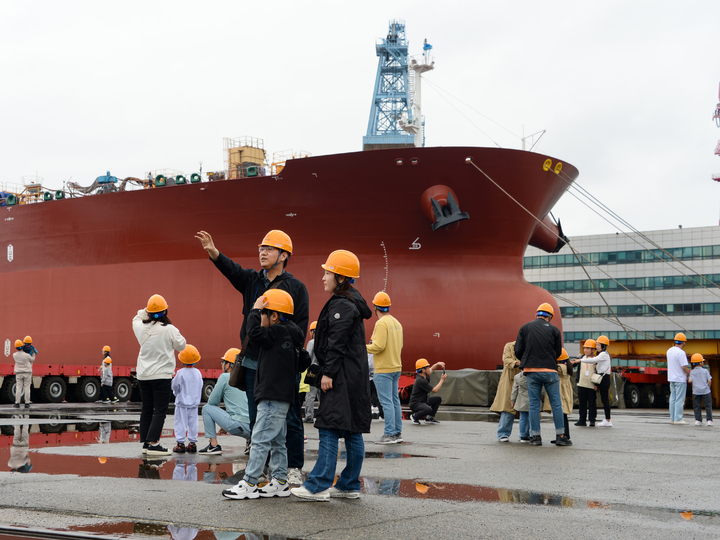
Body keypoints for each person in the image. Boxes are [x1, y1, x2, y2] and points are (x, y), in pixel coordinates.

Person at [196, 229, 309, 484]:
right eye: (261, 248)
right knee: (257, 417)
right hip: (252, 361)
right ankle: (266, 468)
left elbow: (300, 329)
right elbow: (233, 270)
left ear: (283, 255)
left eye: (268, 249)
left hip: (280, 364)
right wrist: (215, 253)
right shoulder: (252, 281)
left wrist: (275, 338)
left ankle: (293, 468)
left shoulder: (296, 288)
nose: (262, 252)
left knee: (289, 417)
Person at [291, 250, 372, 502]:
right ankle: (348, 484)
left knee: (328, 426)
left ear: (340, 277)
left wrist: (327, 373)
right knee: (352, 431)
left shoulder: (341, 304)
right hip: (354, 377)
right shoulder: (353, 302)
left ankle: (318, 485)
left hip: (341, 377)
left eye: (327, 272)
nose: (323, 277)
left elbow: (336, 343)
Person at [222, 289, 304, 500]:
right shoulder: (292, 334)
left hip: (272, 395)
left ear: (274, 315)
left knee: (259, 438)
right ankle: (279, 481)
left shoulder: (276, 333)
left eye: (263, 314)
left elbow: (254, 333)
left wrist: (254, 309)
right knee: (277, 440)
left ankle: (249, 482)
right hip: (281, 395)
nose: (260, 318)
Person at [133, 294, 187, 456]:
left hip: (143, 375)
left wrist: (148, 310)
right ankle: (155, 444)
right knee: (160, 411)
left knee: (147, 409)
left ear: (149, 312)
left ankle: (146, 444)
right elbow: (182, 345)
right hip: (161, 376)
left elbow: (137, 317)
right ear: (165, 311)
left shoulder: (140, 327)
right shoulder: (169, 329)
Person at [514, 303, 570, 446]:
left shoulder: (525, 328)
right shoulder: (554, 330)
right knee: (556, 404)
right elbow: (558, 352)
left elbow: (518, 350)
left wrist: (528, 359)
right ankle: (561, 436)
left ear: (537, 314)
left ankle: (535, 437)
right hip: (550, 371)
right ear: (550, 317)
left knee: (533, 405)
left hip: (531, 370)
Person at [366, 291, 404, 445]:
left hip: (383, 369)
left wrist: (362, 348)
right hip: (396, 366)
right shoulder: (396, 322)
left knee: (386, 402)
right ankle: (397, 433)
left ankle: (389, 434)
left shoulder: (381, 323)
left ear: (375, 307)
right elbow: (400, 345)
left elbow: (378, 346)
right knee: (395, 401)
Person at [199, 348, 252, 455]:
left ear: (229, 365)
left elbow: (212, 402)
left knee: (206, 409)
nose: (222, 364)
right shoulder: (248, 378)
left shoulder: (225, 377)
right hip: (253, 427)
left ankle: (213, 446)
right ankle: (250, 443)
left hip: (237, 425)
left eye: (223, 362)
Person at [172, 345, 203, 454]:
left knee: (180, 423)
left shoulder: (180, 373)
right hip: (194, 404)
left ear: (182, 360)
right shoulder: (198, 373)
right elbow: (200, 386)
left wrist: (176, 393)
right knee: (193, 423)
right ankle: (192, 444)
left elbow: (175, 386)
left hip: (182, 404)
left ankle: (180, 444)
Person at [490, 341, 521, 442]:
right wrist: (518, 363)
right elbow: (506, 360)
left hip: (525, 379)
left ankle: (525, 434)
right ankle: (503, 434)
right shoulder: (509, 346)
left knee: (526, 408)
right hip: (509, 380)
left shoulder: (532, 345)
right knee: (507, 408)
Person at [544, 348, 574, 443]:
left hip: (560, 393)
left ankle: (564, 435)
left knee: (561, 415)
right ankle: (561, 435)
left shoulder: (560, 367)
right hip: (564, 393)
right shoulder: (566, 366)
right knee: (562, 415)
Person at [409, 358, 447, 424]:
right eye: (427, 367)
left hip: (423, 401)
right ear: (423, 370)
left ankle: (429, 418)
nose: (429, 368)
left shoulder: (424, 375)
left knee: (438, 399)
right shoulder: (421, 381)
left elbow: (432, 369)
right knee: (428, 409)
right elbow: (435, 390)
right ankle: (414, 417)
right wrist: (442, 380)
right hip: (415, 404)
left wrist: (438, 364)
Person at [587, 335, 612, 427]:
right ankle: (607, 419)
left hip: (604, 378)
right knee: (604, 399)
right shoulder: (604, 354)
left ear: (603, 346)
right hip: (602, 378)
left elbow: (594, 360)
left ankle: (608, 420)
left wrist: (580, 360)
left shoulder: (603, 354)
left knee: (605, 399)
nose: (596, 346)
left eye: (598, 345)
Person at [572, 339, 597, 427]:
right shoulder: (581, 357)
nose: (586, 350)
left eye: (588, 348)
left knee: (592, 404)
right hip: (581, 384)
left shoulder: (595, 359)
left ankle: (592, 420)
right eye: (585, 348)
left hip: (591, 384)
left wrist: (596, 385)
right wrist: (576, 358)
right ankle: (582, 420)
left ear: (593, 350)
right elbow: (573, 364)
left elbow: (598, 372)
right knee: (582, 403)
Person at [667, 332, 690, 425]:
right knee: (680, 399)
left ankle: (672, 419)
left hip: (671, 378)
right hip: (680, 379)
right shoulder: (681, 353)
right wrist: (688, 374)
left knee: (672, 399)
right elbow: (684, 367)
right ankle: (678, 419)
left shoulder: (669, 351)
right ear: (683, 342)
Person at [688, 353, 713, 426]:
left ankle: (698, 420)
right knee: (708, 406)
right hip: (706, 390)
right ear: (700, 362)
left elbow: (690, 381)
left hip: (696, 391)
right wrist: (709, 387)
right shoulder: (705, 371)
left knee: (697, 406)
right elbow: (709, 380)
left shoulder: (692, 372)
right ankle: (709, 420)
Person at [302, 321, 319, 423]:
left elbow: (307, 357)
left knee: (310, 395)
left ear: (313, 331)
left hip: (312, 370)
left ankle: (309, 416)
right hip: (323, 370)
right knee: (322, 395)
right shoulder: (325, 341)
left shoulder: (311, 343)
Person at [13, 336, 36, 408]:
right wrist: (34, 353)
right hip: (27, 373)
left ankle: (17, 403)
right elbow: (32, 359)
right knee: (27, 388)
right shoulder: (27, 355)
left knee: (19, 388)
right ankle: (27, 403)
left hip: (18, 373)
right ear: (23, 346)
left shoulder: (14, 355)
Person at [510, 370, 530, 443]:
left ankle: (523, 435)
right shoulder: (535, 376)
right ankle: (532, 434)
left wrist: (512, 400)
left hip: (522, 401)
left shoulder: (517, 377)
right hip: (533, 401)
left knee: (523, 418)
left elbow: (514, 390)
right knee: (532, 418)